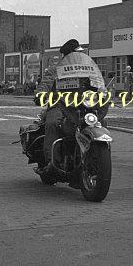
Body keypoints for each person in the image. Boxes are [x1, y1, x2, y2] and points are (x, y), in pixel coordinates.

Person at [34, 39, 85, 174]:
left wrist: (103, 93)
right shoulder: (55, 70)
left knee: (101, 122)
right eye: (76, 54)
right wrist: (41, 94)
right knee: (52, 124)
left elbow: (97, 84)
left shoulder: (85, 70)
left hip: (81, 106)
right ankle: (52, 162)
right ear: (68, 56)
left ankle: (96, 158)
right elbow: (45, 84)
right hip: (60, 106)